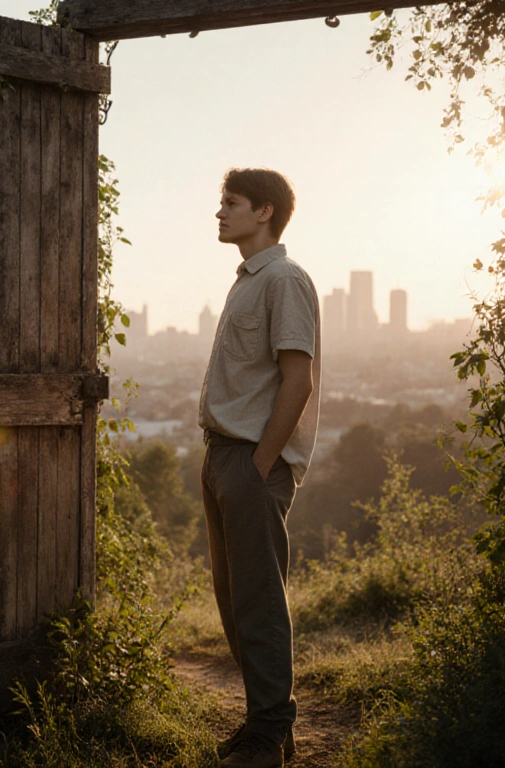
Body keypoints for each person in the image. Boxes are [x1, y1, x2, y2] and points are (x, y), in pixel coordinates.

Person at [200, 168, 321, 768]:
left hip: (250, 463)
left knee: (258, 602)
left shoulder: (284, 280)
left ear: (265, 212)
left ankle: (268, 738)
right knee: (233, 598)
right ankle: (267, 725)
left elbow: (298, 378)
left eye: (231, 203)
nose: (219, 213)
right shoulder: (246, 281)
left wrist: (260, 463)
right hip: (222, 456)